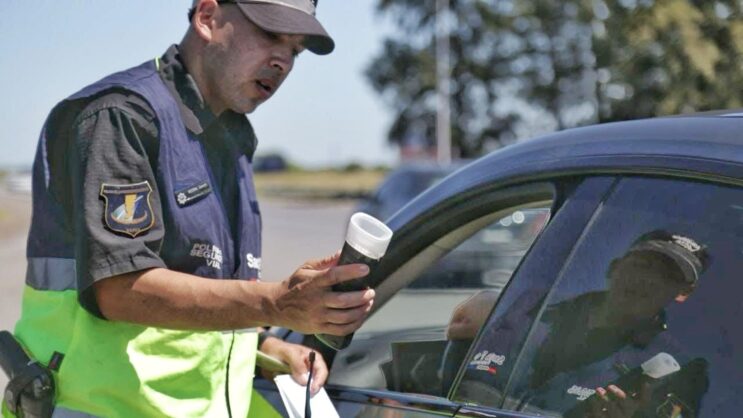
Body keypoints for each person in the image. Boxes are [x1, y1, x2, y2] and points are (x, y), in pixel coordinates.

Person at [5, 1, 375, 417]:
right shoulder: (121, 116)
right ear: (208, 18)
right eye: (270, 35)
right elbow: (120, 290)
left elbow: (204, 289)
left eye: (296, 49)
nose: (282, 61)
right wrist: (277, 303)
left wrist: (263, 346)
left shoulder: (234, 137)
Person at [451, 231, 710, 417]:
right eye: (642, 266)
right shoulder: (531, 307)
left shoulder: (680, 371)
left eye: (665, 276)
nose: (646, 281)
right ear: (613, 268)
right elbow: (465, 387)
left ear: (683, 293)